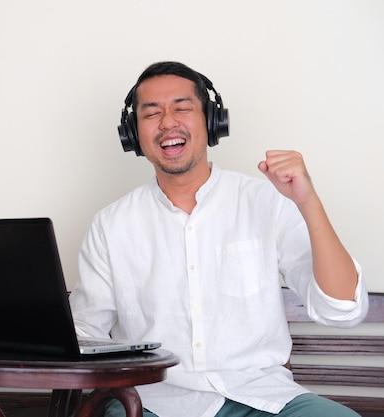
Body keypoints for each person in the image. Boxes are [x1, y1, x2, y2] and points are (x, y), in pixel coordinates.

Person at [68, 61, 369, 417]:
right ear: (133, 134)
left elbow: (343, 312)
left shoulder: (268, 202)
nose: (167, 122)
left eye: (182, 108)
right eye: (152, 113)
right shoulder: (111, 225)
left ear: (212, 121)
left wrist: (308, 202)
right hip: (152, 402)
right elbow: (85, 330)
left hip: (261, 397)